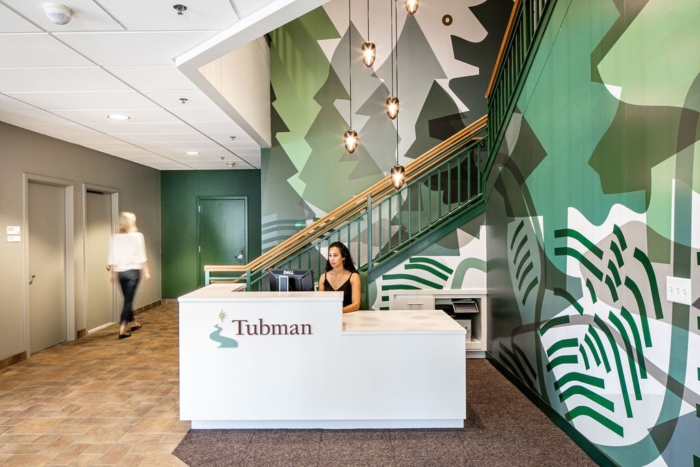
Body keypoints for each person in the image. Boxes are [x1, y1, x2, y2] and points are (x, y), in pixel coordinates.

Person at [108, 212, 150, 339]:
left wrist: (113, 273)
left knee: (127, 298)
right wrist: (146, 271)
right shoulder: (137, 236)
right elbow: (142, 255)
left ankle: (133, 323)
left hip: (120, 272)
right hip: (133, 272)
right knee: (128, 300)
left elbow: (112, 256)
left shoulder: (114, 237)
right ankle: (122, 329)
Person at [318, 241, 360, 313]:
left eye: (335, 255)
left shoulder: (354, 276)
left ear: (343, 257)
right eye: (330, 255)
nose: (332, 259)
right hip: (328, 316)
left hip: (349, 316)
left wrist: (337, 311)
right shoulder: (323, 277)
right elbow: (320, 303)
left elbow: (356, 305)